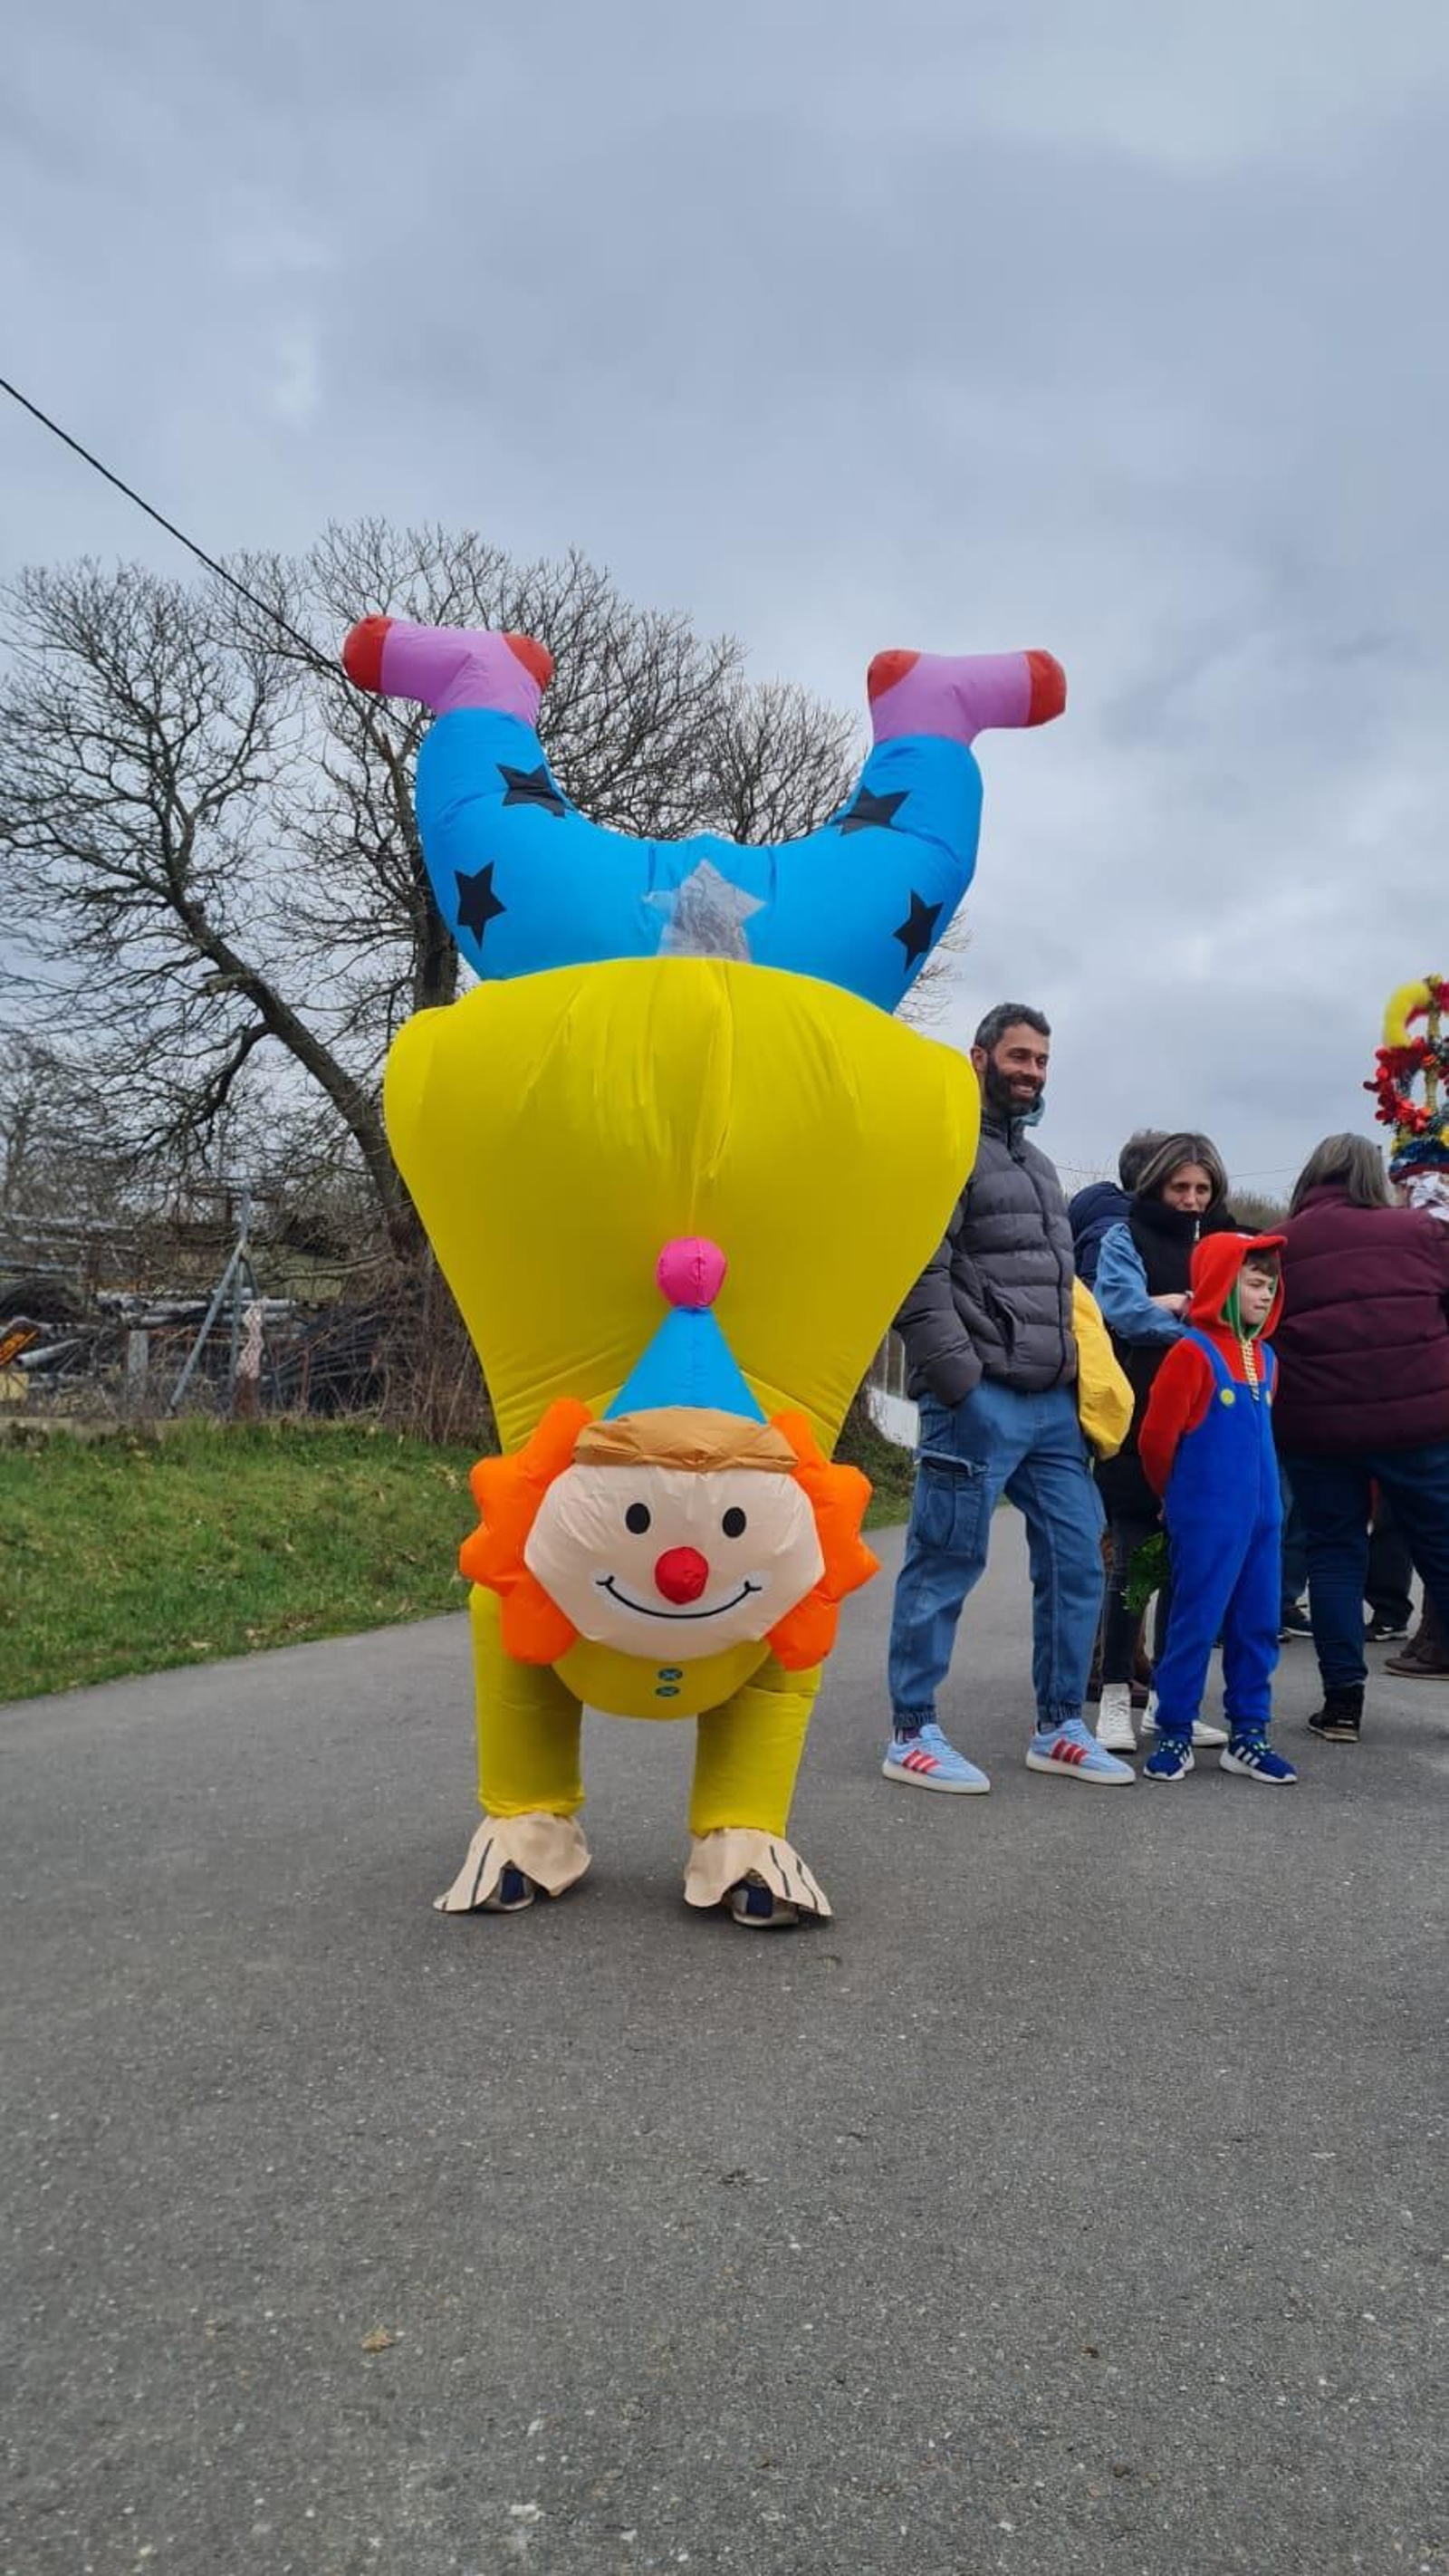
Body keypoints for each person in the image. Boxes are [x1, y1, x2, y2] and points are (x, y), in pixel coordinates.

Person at [883, 1004, 1134, 1790]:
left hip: (1052, 1407)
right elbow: (914, 1274)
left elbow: (1061, 1289)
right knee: (946, 1558)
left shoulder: (1041, 1168)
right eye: (1019, 1056)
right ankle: (911, 1732)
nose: (1032, 1071)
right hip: (977, 1396)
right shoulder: (945, 1150)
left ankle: (1059, 1725)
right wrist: (960, 1380)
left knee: (1077, 1562)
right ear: (981, 1058)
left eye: (1043, 1060)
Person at [1273, 1135, 1449, 1740]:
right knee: (1441, 1551)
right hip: (1419, 1420)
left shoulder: (1280, 1243)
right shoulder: (1420, 1233)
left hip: (1317, 1426)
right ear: (1375, 1176)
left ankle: (1342, 1703)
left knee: (1334, 1557)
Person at [1090, 1131, 1239, 1754]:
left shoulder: (1230, 1240)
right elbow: (1121, 1309)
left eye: (1202, 1188)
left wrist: (1180, 1311)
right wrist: (1190, 1315)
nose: (1191, 1199)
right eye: (1180, 1187)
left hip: (1206, 1425)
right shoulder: (1125, 1235)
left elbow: (1248, 1314)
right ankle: (1115, 1696)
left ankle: (1174, 1703)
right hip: (1140, 1416)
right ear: (1157, 1184)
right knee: (1135, 1563)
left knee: (1189, 1567)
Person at [1137, 1236, 1298, 1783]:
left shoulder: (1268, 1359)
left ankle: (1249, 1732)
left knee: (1256, 1624)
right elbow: (1156, 1440)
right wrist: (1174, 1497)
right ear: (1221, 1286)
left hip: (1263, 1522)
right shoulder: (1192, 1353)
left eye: (1270, 1284)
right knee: (1195, 1623)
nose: (1265, 1293)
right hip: (1206, 1518)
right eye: (1254, 1283)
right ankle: (1176, 1729)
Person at [1068, 1131, 1166, 1290]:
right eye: (1180, 1183)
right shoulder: (1113, 1236)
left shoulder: (1141, 1228)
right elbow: (1102, 1304)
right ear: (1156, 1180)